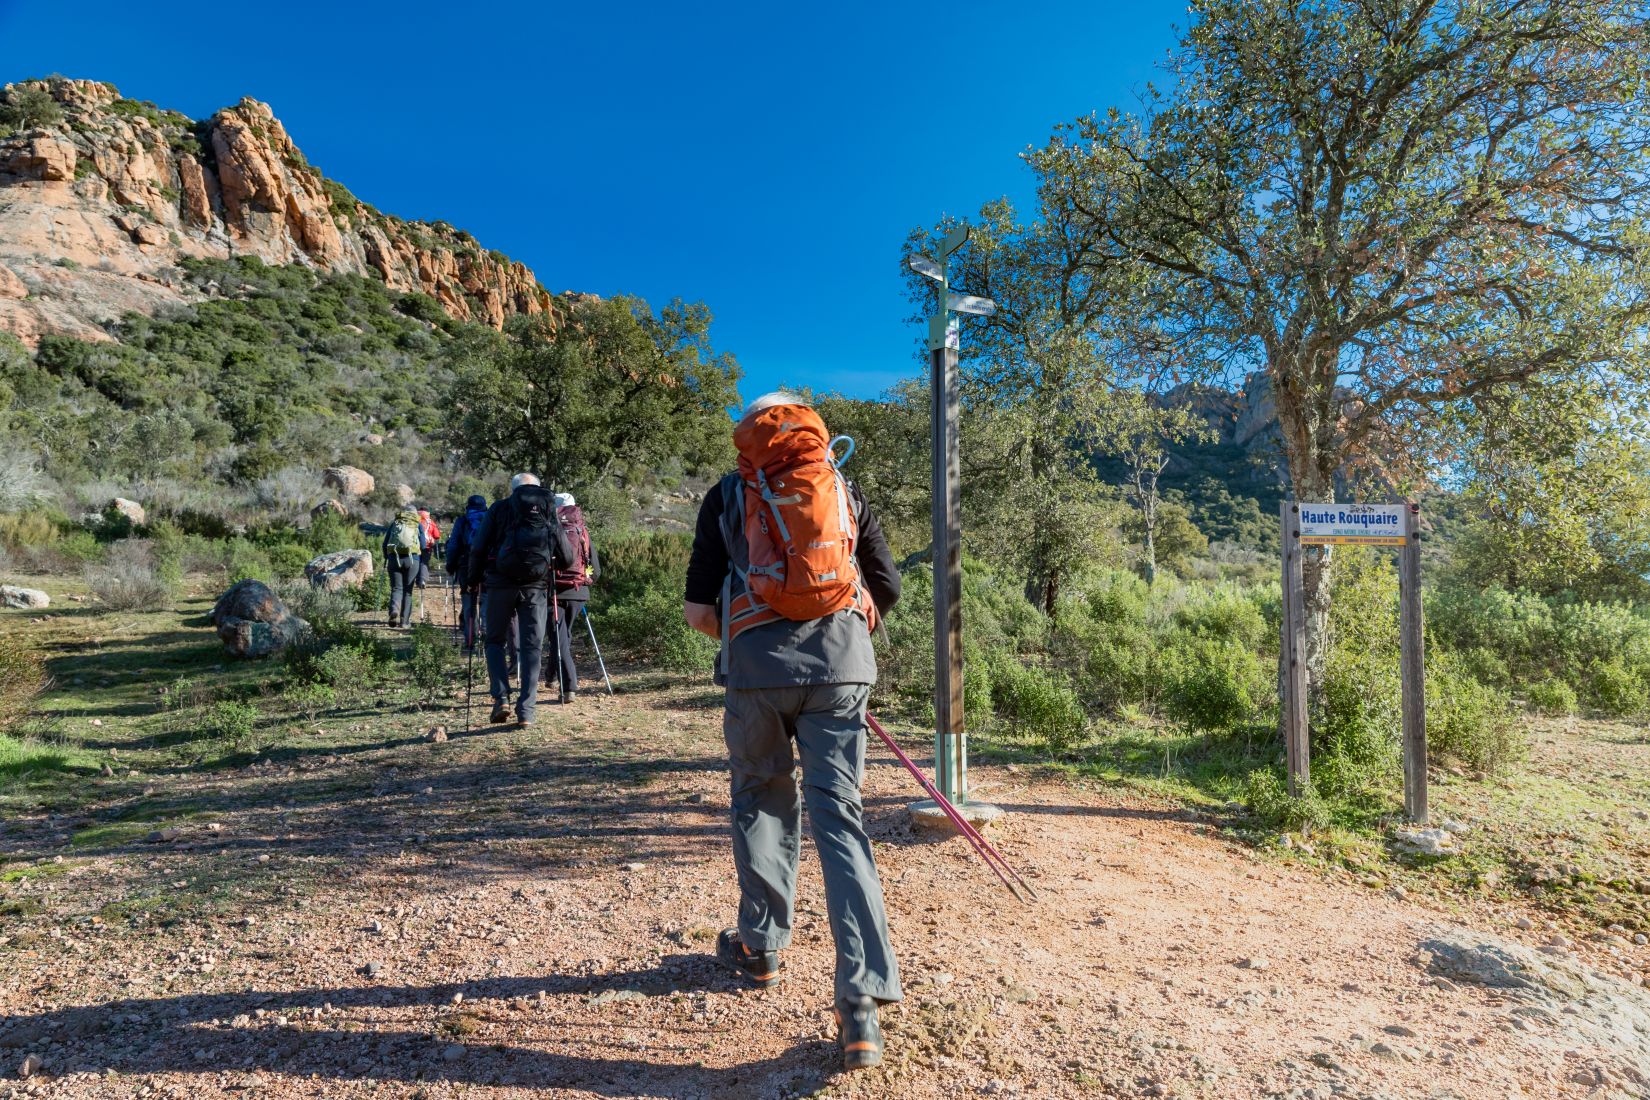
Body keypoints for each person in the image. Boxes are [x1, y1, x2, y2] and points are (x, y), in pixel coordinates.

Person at [682, 392, 903, 1072]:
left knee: (761, 798)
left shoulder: (726, 495)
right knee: (842, 819)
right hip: (841, 669)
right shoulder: (841, 485)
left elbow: (697, 611)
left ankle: (762, 947)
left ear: (748, 437)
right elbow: (886, 586)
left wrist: (753, 635)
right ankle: (861, 1005)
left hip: (755, 671)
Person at [462, 473, 573, 728]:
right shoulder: (546, 508)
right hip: (535, 587)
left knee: (494, 641)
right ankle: (527, 711)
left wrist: (472, 579)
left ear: (512, 490)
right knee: (532, 647)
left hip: (500, 585)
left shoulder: (499, 509)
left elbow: (478, 547)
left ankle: (501, 698)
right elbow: (566, 558)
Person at [548, 491, 600, 702]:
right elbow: (595, 570)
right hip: (579, 593)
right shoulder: (582, 532)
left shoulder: (549, 529)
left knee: (559, 638)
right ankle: (551, 676)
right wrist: (584, 582)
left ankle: (569, 686)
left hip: (554, 592)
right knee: (561, 636)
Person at [445, 494, 489, 653]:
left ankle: (470, 640)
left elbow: (454, 545)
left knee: (469, 602)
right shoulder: (491, 519)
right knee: (486, 601)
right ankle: (486, 638)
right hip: (488, 566)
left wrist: (450, 565)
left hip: (466, 566)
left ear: (468, 506)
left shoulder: (462, 521)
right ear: (485, 506)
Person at [382, 505, 428, 628]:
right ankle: (405, 622)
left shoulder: (395, 523)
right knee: (408, 591)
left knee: (396, 588)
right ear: (414, 514)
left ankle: (394, 610)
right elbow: (423, 546)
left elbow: (385, 543)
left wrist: (388, 557)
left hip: (394, 558)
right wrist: (423, 562)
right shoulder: (417, 524)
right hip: (413, 560)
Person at [416, 509, 442, 591]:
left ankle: (417, 580)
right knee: (424, 563)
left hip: (415, 546)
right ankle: (422, 580)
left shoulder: (414, 521)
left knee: (417, 562)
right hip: (427, 546)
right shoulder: (430, 522)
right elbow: (437, 535)